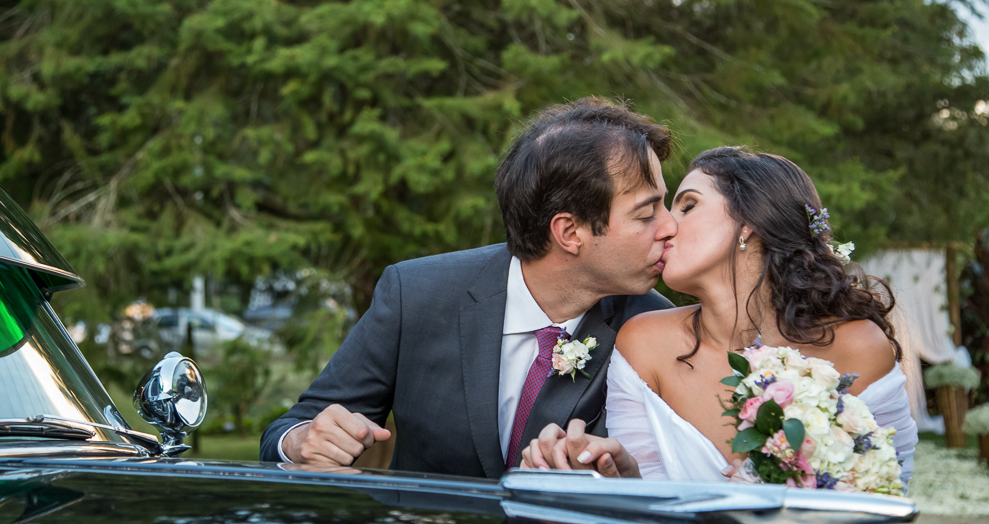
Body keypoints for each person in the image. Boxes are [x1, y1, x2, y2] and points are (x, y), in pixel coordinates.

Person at [259, 97, 677, 478]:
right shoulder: (416, 295)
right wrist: (301, 441)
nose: (671, 226)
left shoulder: (655, 327)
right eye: (647, 214)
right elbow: (287, 430)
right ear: (569, 232)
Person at [522, 146, 918, 486]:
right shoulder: (644, 343)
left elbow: (883, 487)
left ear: (749, 222)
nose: (665, 225)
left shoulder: (856, 347)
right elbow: (645, 499)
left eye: (688, 205)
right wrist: (612, 474)